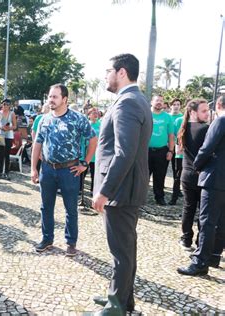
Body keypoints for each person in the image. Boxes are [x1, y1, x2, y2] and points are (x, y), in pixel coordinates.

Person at [92, 54, 152, 315]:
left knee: (121, 252)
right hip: (126, 188)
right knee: (126, 248)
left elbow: (124, 153)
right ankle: (122, 300)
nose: (106, 76)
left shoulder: (127, 102)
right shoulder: (134, 99)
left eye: (109, 71)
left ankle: (116, 306)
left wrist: (104, 191)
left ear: (122, 72)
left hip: (121, 190)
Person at [31, 83, 97, 256]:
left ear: (65, 99)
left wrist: (85, 163)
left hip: (69, 170)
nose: (50, 100)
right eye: (49, 97)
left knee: (70, 208)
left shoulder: (78, 118)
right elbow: (37, 144)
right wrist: (33, 169)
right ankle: (47, 239)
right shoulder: (44, 119)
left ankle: (71, 242)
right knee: (46, 207)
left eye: (54, 97)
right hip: (47, 169)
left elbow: (92, 139)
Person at [178, 96, 225, 276]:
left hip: (213, 178)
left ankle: (200, 262)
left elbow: (206, 148)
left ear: (219, 105)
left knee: (206, 221)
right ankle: (214, 255)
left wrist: (197, 165)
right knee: (221, 220)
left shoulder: (220, 121)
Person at [176, 99, 210, 251]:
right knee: (203, 210)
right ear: (193, 112)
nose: (207, 113)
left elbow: (179, 151)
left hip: (186, 173)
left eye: (208, 110)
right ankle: (199, 242)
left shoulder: (183, 128)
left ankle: (185, 239)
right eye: (204, 111)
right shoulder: (205, 129)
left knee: (188, 208)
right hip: (201, 175)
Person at [148, 95, 174, 205]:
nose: (159, 102)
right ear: (151, 102)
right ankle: (138, 198)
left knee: (160, 176)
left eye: (161, 101)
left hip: (162, 151)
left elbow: (171, 135)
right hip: (146, 151)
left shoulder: (167, 117)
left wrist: (171, 151)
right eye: (157, 100)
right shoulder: (146, 114)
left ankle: (159, 197)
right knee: (143, 175)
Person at [0, 98, 16, 180]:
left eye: (7, 104)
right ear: (1, 105)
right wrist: (0, 126)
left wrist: (9, 128)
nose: (5, 106)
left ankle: (6, 172)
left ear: (10, 106)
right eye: (4, 104)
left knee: (7, 154)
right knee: (0, 154)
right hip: (0, 135)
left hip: (9, 135)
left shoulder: (12, 114)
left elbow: (15, 126)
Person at [169, 98, 184, 205]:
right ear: (171, 106)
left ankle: (177, 190)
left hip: (180, 149)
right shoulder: (168, 117)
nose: (176, 106)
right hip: (171, 146)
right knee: (174, 168)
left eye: (178, 104)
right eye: (174, 104)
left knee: (177, 170)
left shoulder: (183, 118)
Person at [87, 107, 101, 192]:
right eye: (93, 113)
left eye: (96, 113)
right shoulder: (87, 124)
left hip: (96, 154)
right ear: (89, 115)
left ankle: (93, 190)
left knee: (94, 174)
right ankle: (80, 190)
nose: (96, 114)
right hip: (87, 152)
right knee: (83, 173)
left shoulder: (101, 124)